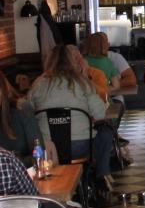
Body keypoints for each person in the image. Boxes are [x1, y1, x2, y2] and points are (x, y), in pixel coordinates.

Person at [28, 44, 113, 181]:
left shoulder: (38, 84)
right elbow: (100, 114)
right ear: (72, 61)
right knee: (106, 132)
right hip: (79, 146)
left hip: (48, 147)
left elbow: (28, 113)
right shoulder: (82, 82)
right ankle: (101, 176)